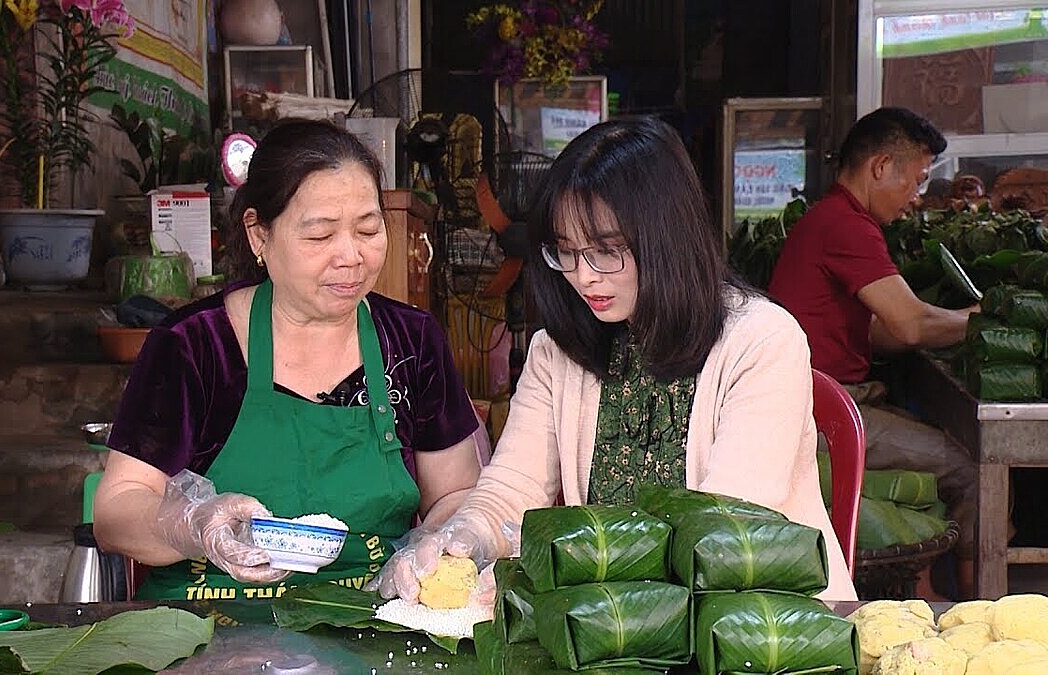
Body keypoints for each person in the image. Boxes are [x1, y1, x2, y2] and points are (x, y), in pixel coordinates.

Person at [369, 117, 857, 603]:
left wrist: (551, 573)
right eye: (566, 252)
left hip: (757, 624)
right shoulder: (556, 351)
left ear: (666, 237)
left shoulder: (762, 341)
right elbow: (511, 492)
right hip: (621, 631)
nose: (583, 277)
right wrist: (464, 540)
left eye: (605, 251)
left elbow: (719, 532)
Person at [93, 119, 483, 600]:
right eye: (319, 236)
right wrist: (191, 525)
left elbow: (455, 494)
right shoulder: (193, 345)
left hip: (369, 614)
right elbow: (116, 511)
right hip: (207, 625)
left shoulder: (412, 341)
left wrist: (438, 544)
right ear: (259, 235)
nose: (351, 256)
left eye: (368, 229)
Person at [768, 106, 979, 599]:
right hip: (821, 413)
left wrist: (949, 323)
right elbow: (907, 325)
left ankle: (926, 588)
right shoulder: (846, 225)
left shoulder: (833, 218)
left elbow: (880, 333)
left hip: (826, 400)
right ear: (881, 167)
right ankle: (977, 600)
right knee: (968, 466)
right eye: (917, 180)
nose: (917, 196)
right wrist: (981, 322)